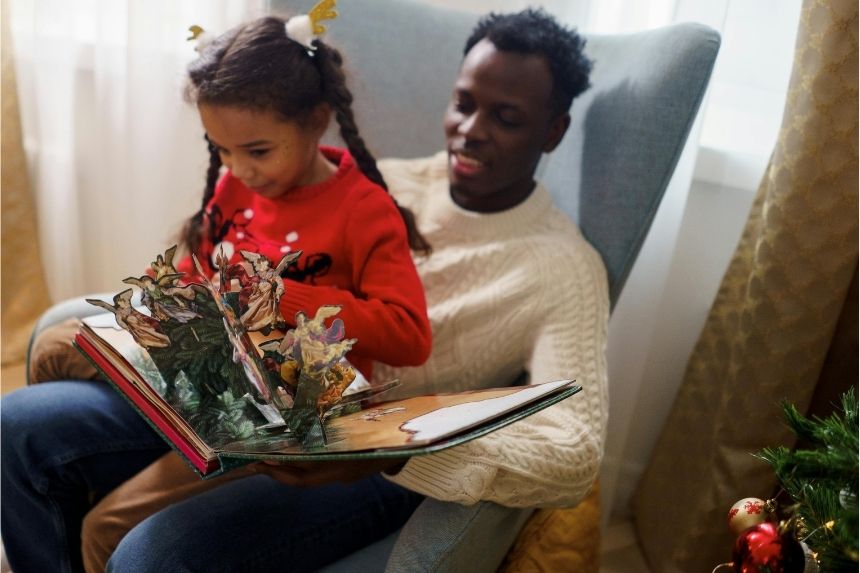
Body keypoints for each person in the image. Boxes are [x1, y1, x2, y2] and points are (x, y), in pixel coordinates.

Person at [2, 7, 609, 573]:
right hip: (237, 387)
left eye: (506, 118)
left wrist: (399, 449)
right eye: (463, 104)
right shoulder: (358, 175)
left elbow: (574, 453)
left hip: (365, 451)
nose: (470, 131)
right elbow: (215, 253)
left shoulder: (561, 269)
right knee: (22, 415)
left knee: (140, 549)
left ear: (553, 131)